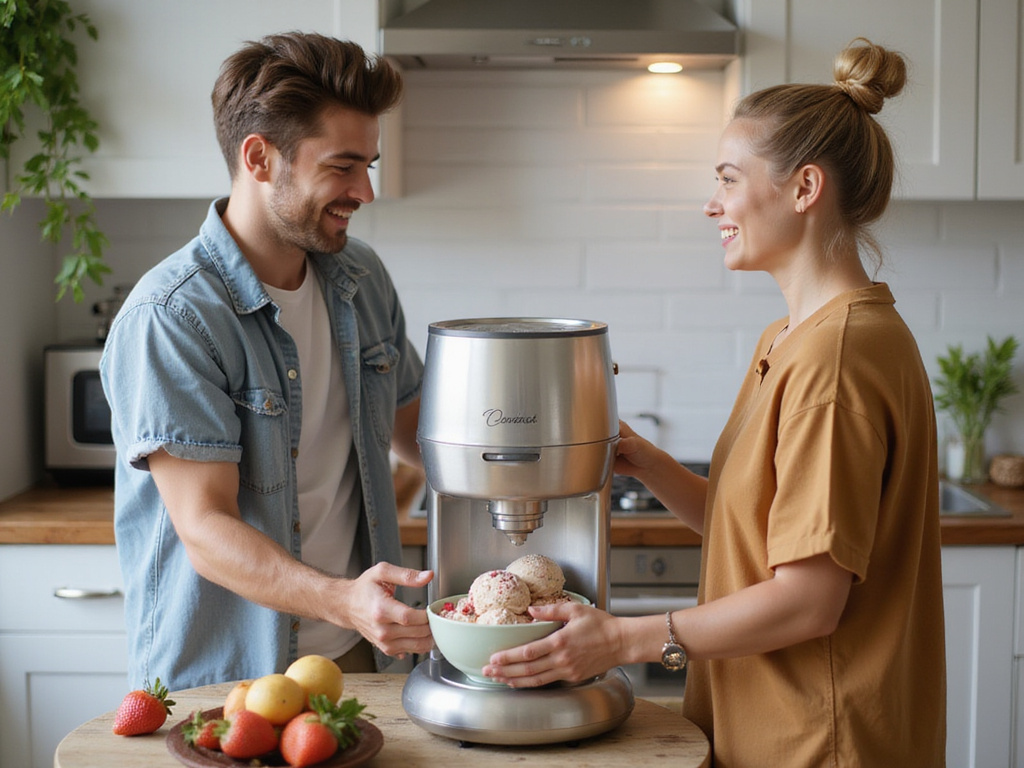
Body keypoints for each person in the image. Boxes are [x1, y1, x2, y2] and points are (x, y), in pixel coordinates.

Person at [484, 38, 946, 765]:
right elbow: (761, 541)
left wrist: (626, 637)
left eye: (729, 180)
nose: (712, 205)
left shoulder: (837, 358)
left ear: (804, 188)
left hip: (819, 740)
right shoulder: (792, 336)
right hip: (765, 723)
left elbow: (807, 600)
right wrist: (649, 464)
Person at [100, 33, 433, 691]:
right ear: (259, 158)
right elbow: (206, 528)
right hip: (228, 675)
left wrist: (545, 459)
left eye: (369, 164)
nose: (364, 191)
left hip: (360, 654)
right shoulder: (174, 314)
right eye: (342, 166)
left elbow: (419, 432)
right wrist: (345, 599)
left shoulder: (360, 277)